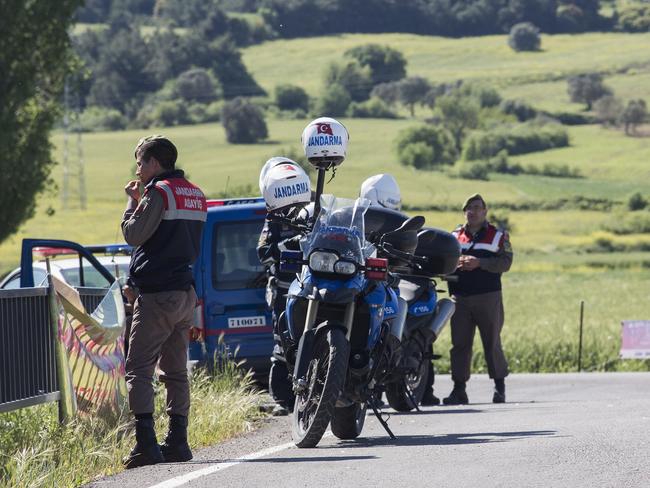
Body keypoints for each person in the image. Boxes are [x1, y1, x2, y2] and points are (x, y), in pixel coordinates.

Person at [121, 135, 207, 468]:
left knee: (139, 368)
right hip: (185, 293)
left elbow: (134, 234)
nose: (139, 169)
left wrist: (132, 202)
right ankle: (177, 442)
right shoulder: (195, 194)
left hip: (157, 295)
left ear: (155, 163)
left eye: (141, 162)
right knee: (175, 371)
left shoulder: (159, 192)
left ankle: (146, 445)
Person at [360, 173, 440, 407]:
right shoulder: (356, 218)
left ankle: (393, 353)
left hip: (387, 280)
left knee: (397, 305)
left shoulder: (397, 223)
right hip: (358, 279)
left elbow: (407, 251)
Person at [443, 194, 512, 405]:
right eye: (468, 208)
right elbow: (444, 262)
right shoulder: (453, 236)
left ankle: (499, 388)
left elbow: (506, 262)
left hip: (487, 296)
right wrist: (457, 264)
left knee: (492, 342)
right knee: (460, 345)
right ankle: (459, 390)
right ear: (464, 212)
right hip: (460, 297)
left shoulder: (498, 236)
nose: (472, 211)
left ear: (485, 211)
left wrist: (479, 262)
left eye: (476, 207)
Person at [257, 158, 311, 416]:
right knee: (283, 344)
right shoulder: (274, 220)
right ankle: (282, 399)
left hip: (313, 284)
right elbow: (264, 252)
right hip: (284, 289)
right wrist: (291, 245)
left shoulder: (315, 209)